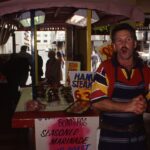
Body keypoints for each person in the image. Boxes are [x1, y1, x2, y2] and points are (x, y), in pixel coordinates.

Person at [90, 23, 150, 150]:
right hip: (111, 140)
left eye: (128, 40)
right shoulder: (105, 68)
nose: (124, 44)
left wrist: (145, 104)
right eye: (119, 40)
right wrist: (127, 107)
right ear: (114, 46)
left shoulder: (145, 71)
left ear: (134, 43)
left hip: (139, 139)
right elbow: (97, 102)